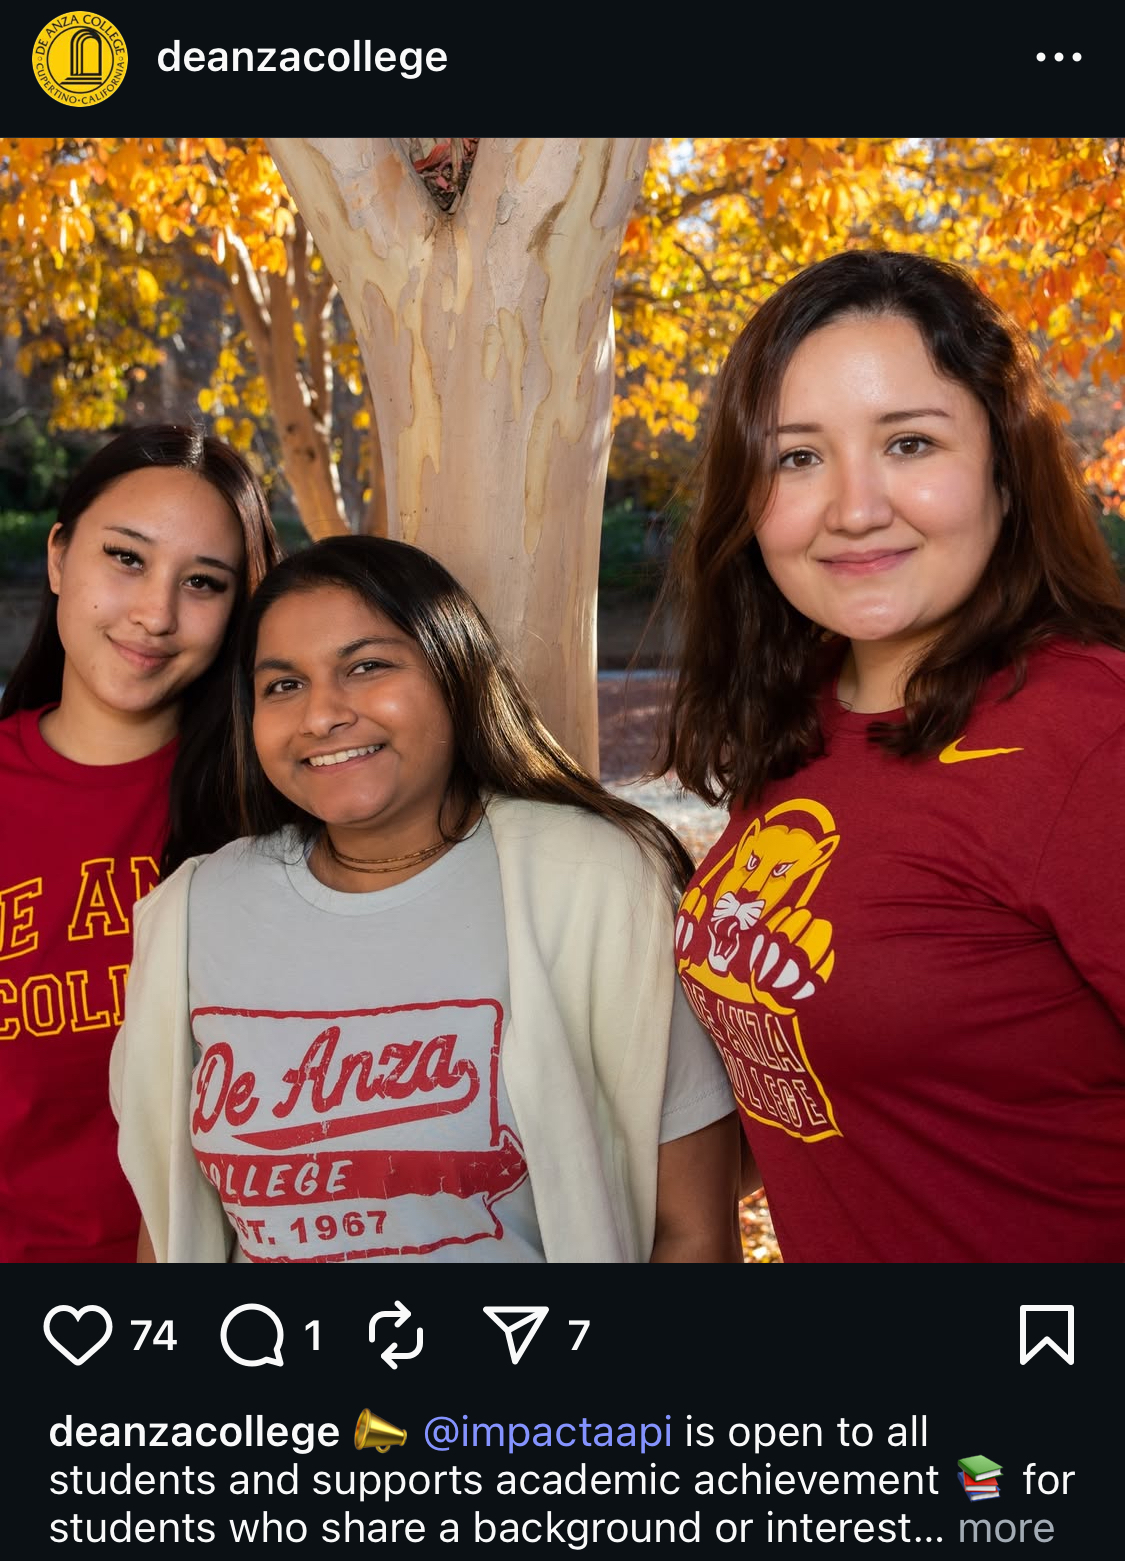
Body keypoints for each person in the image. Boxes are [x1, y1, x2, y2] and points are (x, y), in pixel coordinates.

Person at [661, 249, 1125, 1263]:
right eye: (796, 457)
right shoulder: (808, 717)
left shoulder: (1093, 739)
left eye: (910, 443)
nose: (856, 507)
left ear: (1006, 467)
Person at [110, 535, 741, 1263]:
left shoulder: (591, 881)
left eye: (366, 666)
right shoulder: (195, 911)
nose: (320, 715)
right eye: (282, 685)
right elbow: (166, 1229)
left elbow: (693, 1231)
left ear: (454, 672)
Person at [0, 423, 280, 1262]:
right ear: (58, 558)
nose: (156, 613)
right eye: (126, 557)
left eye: (202, 582)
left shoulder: (271, 811)